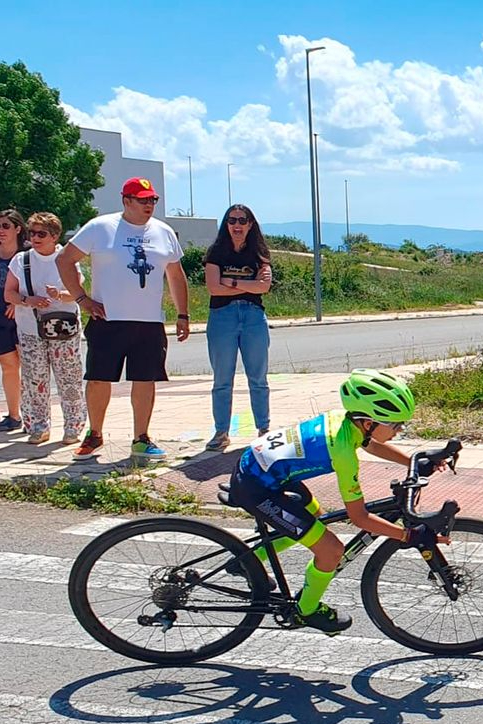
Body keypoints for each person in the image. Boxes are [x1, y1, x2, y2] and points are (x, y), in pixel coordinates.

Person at [228, 369, 428, 634]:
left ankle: (247, 561)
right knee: (331, 549)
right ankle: (306, 610)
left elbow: (369, 444)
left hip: (264, 472)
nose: (400, 429)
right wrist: (406, 535)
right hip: (256, 488)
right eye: (395, 424)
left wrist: (411, 461)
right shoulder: (342, 452)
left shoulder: (345, 421)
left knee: (314, 521)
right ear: (368, 422)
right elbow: (359, 518)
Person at [56, 177, 190, 464]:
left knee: (145, 379)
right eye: (142, 200)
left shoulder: (164, 232)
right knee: (99, 378)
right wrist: (82, 298)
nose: (149, 205)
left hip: (149, 321)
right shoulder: (100, 227)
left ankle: (141, 438)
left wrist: (183, 314)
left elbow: (176, 276)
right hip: (108, 318)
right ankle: (94, 433)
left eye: (152, 200)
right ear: (126, 201)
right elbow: (65, 260)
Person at [4, 212, 86, 445]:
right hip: (31, 328)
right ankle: (39, 426)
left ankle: (73, 426)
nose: (36, 238)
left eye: (42, 233)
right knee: (34, 379)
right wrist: (27, 300)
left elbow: (78, 294)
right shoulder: (22, 260)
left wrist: (59, 295)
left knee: (68, 377)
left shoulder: (66, 259)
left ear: (55, 235)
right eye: (32, 233)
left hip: (63, 327)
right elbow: (8, 292)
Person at [203, 205, 272, 451]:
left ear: (251, 224)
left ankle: (264, 429)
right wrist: (249, 284)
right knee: (222, 378)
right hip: (223, 316)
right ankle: (221, 432)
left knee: (258, 377)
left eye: (243, 220)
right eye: (232, 220)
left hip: (253, 316)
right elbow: (213, 287)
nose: (237, 225)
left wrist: (230, 281)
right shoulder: (216, 252)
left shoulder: (259, 252)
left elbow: (264, 287)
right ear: (226, 224)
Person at [0, 208, 26, 432]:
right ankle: (13, 415)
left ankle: (32, 413)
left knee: (29, 366)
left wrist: (16, 302)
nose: (1, 230)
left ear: (18, 229)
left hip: (23, 316)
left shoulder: (27, 253)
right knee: (8, 365)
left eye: (6, 226)